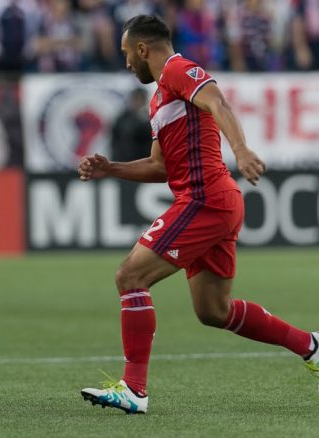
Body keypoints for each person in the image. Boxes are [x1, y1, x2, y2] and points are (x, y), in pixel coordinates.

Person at [77, 15, 318, 414]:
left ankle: (134, 390)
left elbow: (217, 101)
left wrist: (240, 149)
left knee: (130, 276)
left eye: (126, 54)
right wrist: (112, 169)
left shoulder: (177, 69)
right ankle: (310, 345)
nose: (125, 64)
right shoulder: (159, 98)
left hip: (205, 199)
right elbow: (161, 167)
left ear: (142, 49)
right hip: (213, 200)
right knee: (213, 311)